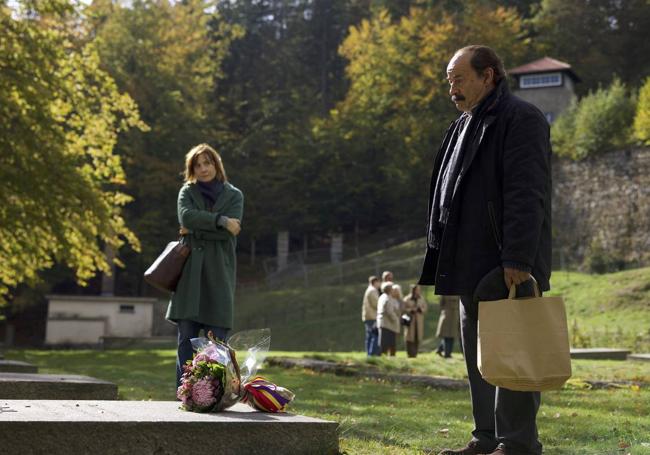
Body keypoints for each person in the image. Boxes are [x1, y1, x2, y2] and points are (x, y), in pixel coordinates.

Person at [418, 45, 552, 455]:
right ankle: (487, 438)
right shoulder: (462, 125)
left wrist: (517, 259)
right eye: (449, 81)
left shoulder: (521, 119)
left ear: (489, 75)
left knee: (513, 354)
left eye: (458, 78)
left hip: (504, 263)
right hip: (466, 264)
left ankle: (517, 444)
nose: (452, 89)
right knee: (481, 358)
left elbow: (526, 193)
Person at [166, 143, 244, 389]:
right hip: (190, 275)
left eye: (207, 163)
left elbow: (227, 235)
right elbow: (186, 217)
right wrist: (220, 221)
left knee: (217, 344)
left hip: (219, 275)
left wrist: (196, 230)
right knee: (185, 342)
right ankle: (185, 394)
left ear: (216, 165)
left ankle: (212, 396)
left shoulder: (234, 195)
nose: (203, 169)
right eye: (197, 165)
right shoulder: (186, 192)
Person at [402, 284, 428, 358]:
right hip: (410, 321)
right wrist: (411, 310)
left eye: (419, 290)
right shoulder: (407, 298)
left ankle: (415, 353)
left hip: (418, 321)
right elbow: (403, 309)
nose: (418, 291)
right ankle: (410, 353)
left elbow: (425, 308)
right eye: (417, 290)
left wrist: (420, 309)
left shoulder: (421, 298)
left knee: (417, 337)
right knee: (409, 338)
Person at [376, 281, 401, 356]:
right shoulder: (387, 298)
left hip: (387, 324)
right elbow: (390, 312)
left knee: (388, 344)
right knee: (387, 345)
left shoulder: (384, 297)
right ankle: (387, 360)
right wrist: (396, 320)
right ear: (389, 289)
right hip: (387, 325)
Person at [361, 275, 382, 356]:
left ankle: (369, 354)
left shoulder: (369, 290)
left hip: (368, 316)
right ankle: (372, 354)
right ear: (375, 282)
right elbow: (377, 304)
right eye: (378, 282)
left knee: (369, 336)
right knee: (374, 336)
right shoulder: (372, 291)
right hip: (372, 316)